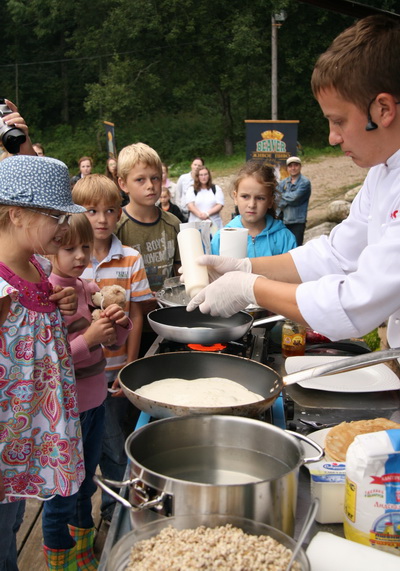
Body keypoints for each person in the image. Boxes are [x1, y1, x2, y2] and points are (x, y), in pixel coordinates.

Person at [186, 14, 400, 350]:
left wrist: (250, 286)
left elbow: (356, 300)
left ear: (383, 109)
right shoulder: (381, 172)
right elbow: (336, 255)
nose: (332, 137)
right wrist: (245, 265)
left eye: (339, 121)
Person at [0, 155, 86, 571]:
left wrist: (61, 301)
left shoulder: (35, 265)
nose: (65, 227)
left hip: (29, 433)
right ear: (16, 214)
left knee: (13, 517)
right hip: (7, 436)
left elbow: (36, 323)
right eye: (55, 215)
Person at [43, 213, 131, 570]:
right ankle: (59, 560)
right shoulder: (50, 294)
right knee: (62, 492)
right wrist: (89, 338)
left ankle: (80, 552)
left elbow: (110, 344)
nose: (80, 255)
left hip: (95, 403)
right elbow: (52, 361)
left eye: (84, 247)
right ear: (50, 250)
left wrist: (118, 325)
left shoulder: (87, 289)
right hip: (66, 413)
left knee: (85, 484)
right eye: (69, 248)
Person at [72, 174, 151, 523]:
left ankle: (114, 514)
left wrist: (129, 366)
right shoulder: (70, 260)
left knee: (117, 447)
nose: (101, 219)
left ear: (120, 213)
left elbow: (136, 312)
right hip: (79, 376)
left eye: (109, 210)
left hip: (117, 369)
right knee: (86, 451)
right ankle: (81, 519)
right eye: (91, 211)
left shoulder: (131, 258)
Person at [115, 142, 181, 355]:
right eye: (140, 180)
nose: (150, 185)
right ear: (123, 184)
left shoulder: (173, 223)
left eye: (155, 178)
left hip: (167, 322)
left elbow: (180, 269)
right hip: (129, 327)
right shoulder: (116, 227)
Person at [211, 161, 297, 256]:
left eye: (260, 198)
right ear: (235, 197)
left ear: (270, 201)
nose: (252, 205)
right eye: (245, 196)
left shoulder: (285, 238)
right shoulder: (222, 238)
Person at [277, 156, 311, 246]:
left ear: (300, 166)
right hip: (282, 221)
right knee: (283, 247)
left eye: (296, 165)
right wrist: (285, 199)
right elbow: (276, 198)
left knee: (296, 248)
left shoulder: (305, 182)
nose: (293, 168)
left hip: (297, 222)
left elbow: (295, 198)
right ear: (287, 168)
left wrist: (282, 197)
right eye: (290, 166)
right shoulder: (283, 182)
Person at [186, 166, 224, 231]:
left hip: (214, 224)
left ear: (209, 175)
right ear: (197, 176)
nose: (203, 177)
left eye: (205, 174)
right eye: (201, 175)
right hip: (196, 224)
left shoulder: (216, 188)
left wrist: (207, 214)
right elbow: (190, 206)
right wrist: (201, 215)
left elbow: (219, 205)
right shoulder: (191, 189)